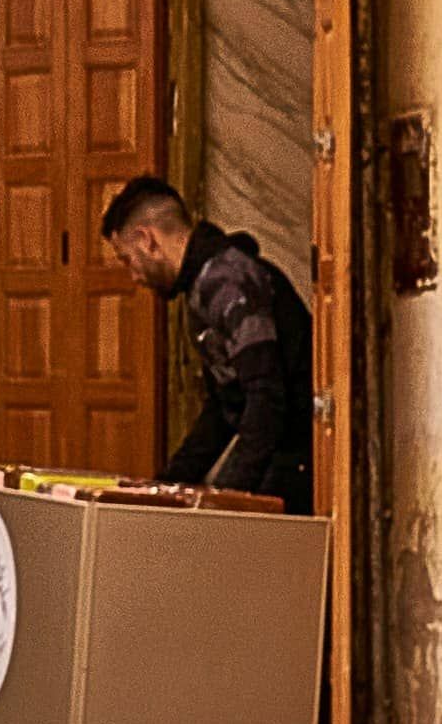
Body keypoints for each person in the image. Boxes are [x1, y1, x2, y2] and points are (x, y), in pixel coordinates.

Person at [101, 166, 315, 507]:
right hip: (279, 456)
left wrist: (226, 498)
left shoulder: (225, 280)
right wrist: (164, 486)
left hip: (297, 462)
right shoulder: (203, 285)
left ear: (147, 240)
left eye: (127, 260)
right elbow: (224, 407)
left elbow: (266, 397)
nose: (134, 276)